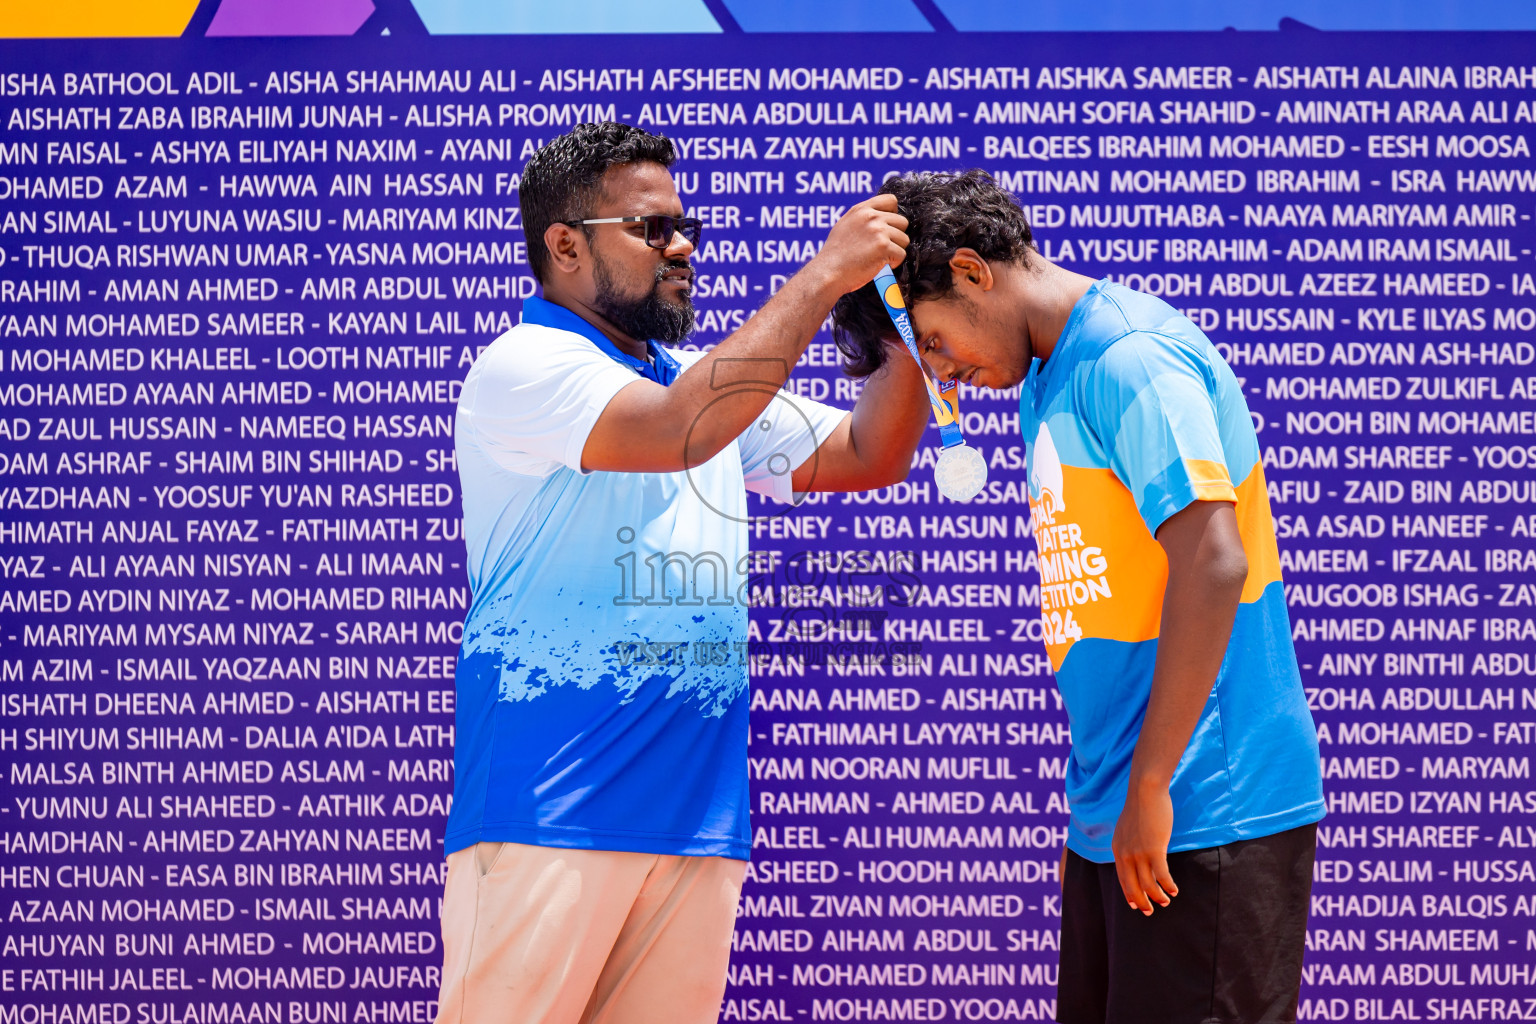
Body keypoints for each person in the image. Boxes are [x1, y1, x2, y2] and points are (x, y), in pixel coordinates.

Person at [436, 122, 928, 1024]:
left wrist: (894, 317)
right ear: (565, 244)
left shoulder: (702, 383)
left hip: (697, 819)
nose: (683, 246)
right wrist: (824, 276)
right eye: (653, 229)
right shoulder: (526, 365)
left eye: (685, 224)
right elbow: (674, 432)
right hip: (551, 810)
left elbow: (868, 451)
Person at [831, 170, 1325, 1024]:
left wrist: (1152, 786)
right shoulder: (1048, 376)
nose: (947, 379)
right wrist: (1100, 815)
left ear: (972, 272)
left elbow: (1212, 561)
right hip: (1126, 812)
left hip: (1209, 808)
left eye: (938, 345)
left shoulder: (1127, 355)